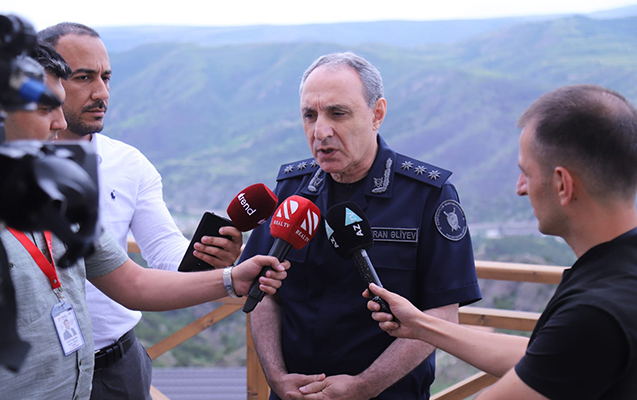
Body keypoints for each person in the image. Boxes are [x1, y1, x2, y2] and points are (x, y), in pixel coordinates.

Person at [0, 42, 290, 400]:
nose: (59, 123)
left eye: (106, 78)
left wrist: (232, 278)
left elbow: (133, 283)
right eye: (46, 108)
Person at [366, 84, 637, 399]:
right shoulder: (617, 278)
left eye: (527, 173)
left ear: (563, 185)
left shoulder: (595, 313)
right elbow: (548, 357)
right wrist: (422, 325)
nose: (520, 188)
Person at [240, 51, 481, 400]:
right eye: (310, 115)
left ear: (376, 114)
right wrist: (276, 377)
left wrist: (363, 387)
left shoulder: (427, 195)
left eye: (337, 113)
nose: (320, 131)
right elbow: (263, 295)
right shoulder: (291, 190)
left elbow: (442, 314)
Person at [38, 22, 243, 399]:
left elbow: (163, 254)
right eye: (84, 77)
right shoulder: (17, 173)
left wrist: (208, 259)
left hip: (118, 367)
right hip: (38, 372)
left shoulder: (129, 164)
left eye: (106, 78)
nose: (102, 92)